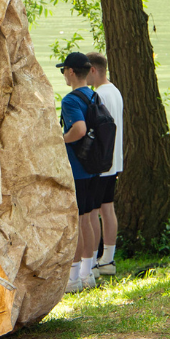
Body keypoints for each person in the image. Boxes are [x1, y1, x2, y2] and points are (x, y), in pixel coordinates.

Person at [57, 51, 102, 292]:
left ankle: (73, 279)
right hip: (94, 167)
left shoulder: (71, 100)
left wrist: (61, 140)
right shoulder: (94, 96)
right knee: (89, 218)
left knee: (76, 222)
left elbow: (80, 129)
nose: (63, 74)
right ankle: (89, 272)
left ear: (71, 71)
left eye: (63, 70)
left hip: (77, 169)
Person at [86, 51, 121, 277]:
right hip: (115, 160)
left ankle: (96, 261)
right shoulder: (115, 91)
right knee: (107, 209)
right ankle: (108, 258)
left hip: (102, 162)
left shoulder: (99, 95)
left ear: (93, 70)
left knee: (93, 212)